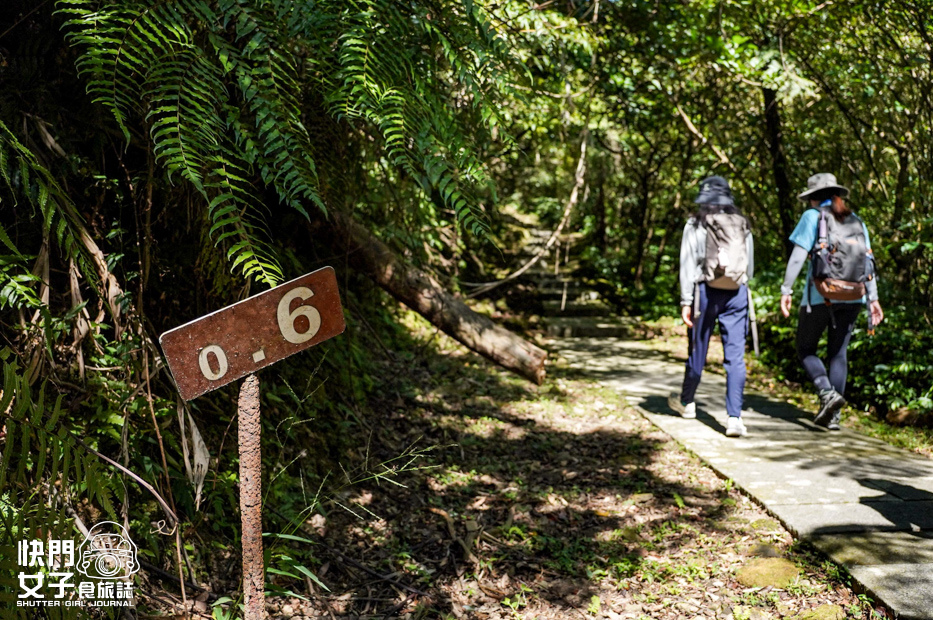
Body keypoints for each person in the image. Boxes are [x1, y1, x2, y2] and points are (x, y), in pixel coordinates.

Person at [780, 173, 884, 430]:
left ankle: (827, 394)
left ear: (813, 198)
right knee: (838, 354)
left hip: (821, 295)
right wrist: (874, 299)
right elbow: (868, 262)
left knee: (805, 349)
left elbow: (797, 257)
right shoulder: (856, 221)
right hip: (854, 296)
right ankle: (833, 418)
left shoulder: (812, 216)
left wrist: (786, 290)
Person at [668, 176, 754, 437]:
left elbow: (687, 264)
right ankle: (734, 417)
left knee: (698, 349)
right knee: (735, 356)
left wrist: (685, 301)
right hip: (738, 292)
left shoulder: (695, 223)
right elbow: (749, 265)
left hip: (704, 291)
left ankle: (687, 402)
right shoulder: (742, 223)